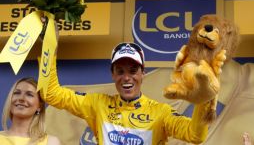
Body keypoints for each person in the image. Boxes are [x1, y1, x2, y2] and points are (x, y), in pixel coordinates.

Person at [40, 21, 215, 145]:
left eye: (133, 71)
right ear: (113, 75)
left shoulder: (161, 113)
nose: (126, 77)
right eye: (120, 71)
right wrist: (49, 46)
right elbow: (51, 94)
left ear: (142, 74)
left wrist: (205, 99)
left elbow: (195, 135)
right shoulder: (97, 104)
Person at [0, 77, 61, 145]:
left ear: (39, 106)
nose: (21, 98)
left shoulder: (51, 142)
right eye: (17, 93)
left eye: (29, 95)